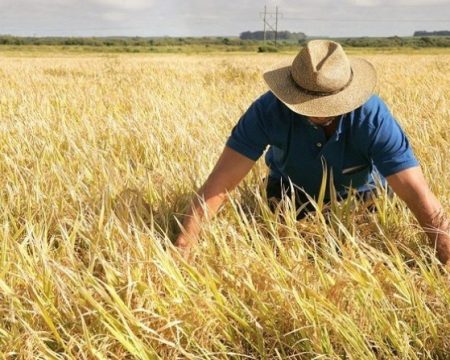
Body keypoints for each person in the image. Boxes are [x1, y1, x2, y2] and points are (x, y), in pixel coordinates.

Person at [174, 40, 450, 266]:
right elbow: (219, 186)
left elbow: (415, 192)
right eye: (310, 105)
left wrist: (444, 249)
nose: (320, 114)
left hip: (364, 196)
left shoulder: (372, 117)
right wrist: (184, 247)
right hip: (290, 195)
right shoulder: (267, 112)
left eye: (329, 105)